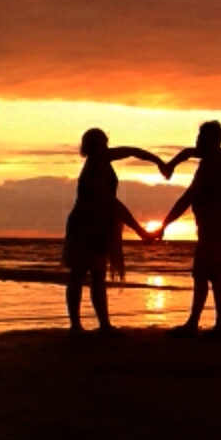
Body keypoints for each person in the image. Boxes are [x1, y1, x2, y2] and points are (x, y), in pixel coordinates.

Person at [62, 128, 162, 334]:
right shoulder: (93, 170)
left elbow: (132, 151)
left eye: (106, 143)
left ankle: (104, 324)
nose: (106, 147)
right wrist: (141, 231)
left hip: (99, 225)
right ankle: (76, 325)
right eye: (101, 143)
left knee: (98, 275)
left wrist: (158, 161)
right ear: (92, 147)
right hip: (83, 225)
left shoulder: (104, 159)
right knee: (78, 274)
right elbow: (113, 204)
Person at [156, 120, 221, 337]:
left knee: (213, 274)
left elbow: (189, 196)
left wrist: (164, 224)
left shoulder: (214, 162)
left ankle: (217, 326)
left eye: (201, 138)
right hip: (212, 225)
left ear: (213, 141)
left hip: (216, 226)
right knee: (202, 273)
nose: (197, 142)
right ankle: (197, 323)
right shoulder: (216, 157)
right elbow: (189, 152)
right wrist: (171, 164)